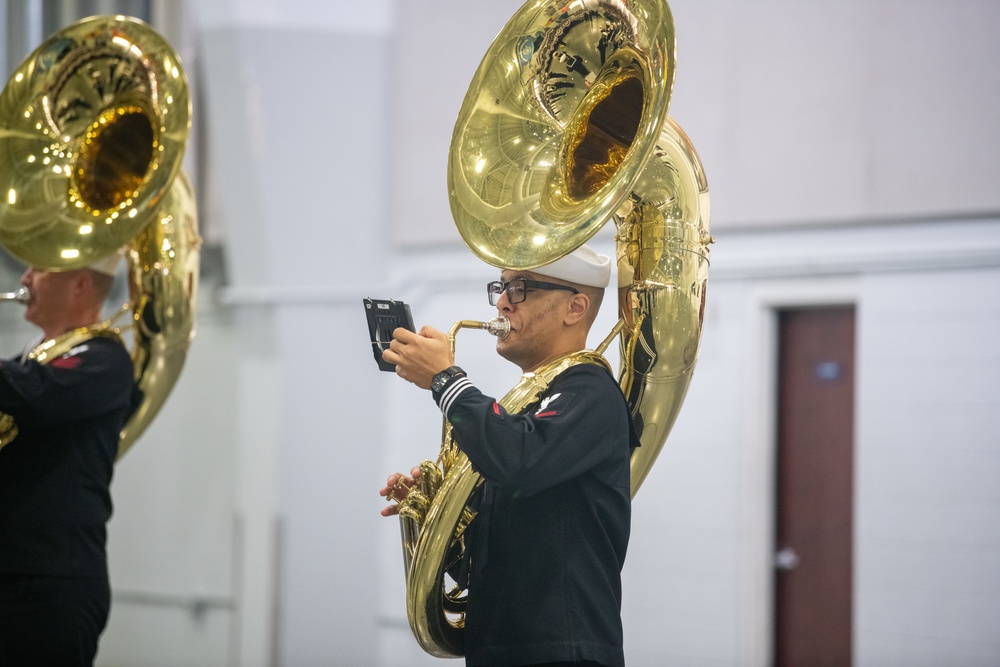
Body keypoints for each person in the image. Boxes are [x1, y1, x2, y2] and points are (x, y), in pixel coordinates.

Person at [380, 244, 638, 667]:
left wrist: (446, 380)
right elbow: (489, 569)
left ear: (574, 308)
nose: (502, 301)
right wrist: (435, 515)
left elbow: (519, 461)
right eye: (501, 287)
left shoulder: (590, 392)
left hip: (563, 655)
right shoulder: (530, 407)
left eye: (520, 289)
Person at [0, 253, 137, 666]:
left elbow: (35, 393)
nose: (24, 277)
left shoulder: (106, 359)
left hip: (51, 586)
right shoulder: (33, 359)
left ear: (80, 284)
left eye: (38, 268)